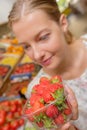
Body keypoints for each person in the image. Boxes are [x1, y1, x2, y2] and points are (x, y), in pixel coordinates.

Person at [8, 0, 87, 130]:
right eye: (26, 46)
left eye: (43, 37)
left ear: (63, 23)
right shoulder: (36, 93)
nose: (37, 55)